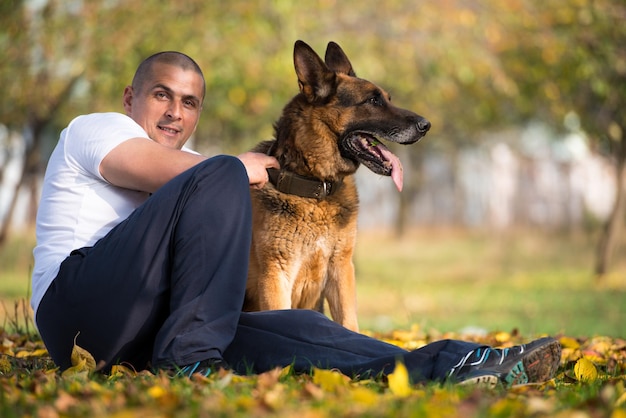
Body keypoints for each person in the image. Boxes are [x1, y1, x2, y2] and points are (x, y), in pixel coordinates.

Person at [31, 51, 561, 388]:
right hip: (76, 312)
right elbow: (154, 168)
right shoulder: (95, 128)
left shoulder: (201, 175)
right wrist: (242, 167)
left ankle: (461, 364)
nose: (175, 112)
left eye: (189, 103)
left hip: (156, 333)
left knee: (304, 329)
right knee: (221, 173)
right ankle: (189, 361)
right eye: (161, 95)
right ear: (130, 99)